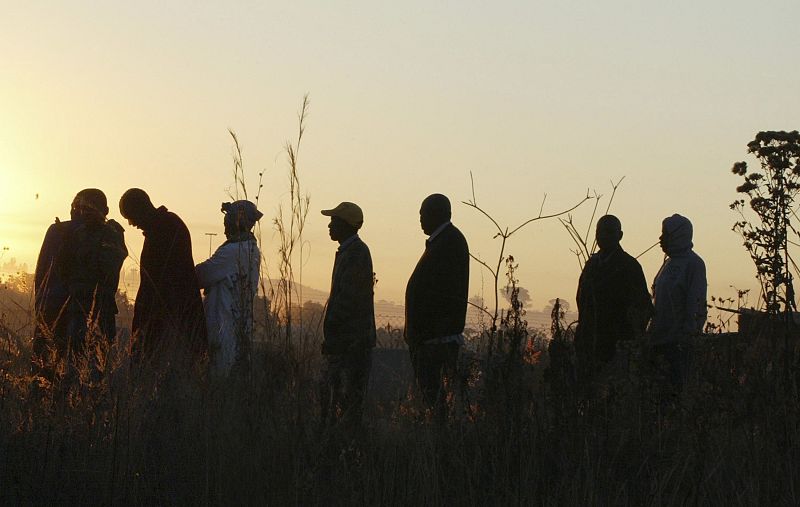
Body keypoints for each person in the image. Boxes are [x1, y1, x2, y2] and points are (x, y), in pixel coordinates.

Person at [32, 189, 126, 379]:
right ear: (106, 210)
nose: (79, 213)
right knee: (88, 379)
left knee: (49, 377)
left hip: (60, 314)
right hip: (85, 316)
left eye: (83, 208)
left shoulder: (60, 231)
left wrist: (40, 311)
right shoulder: (111, 234)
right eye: (78, 208)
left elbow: (41, 277)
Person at [119, 188, 207, 365]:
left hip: (171, 322)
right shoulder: (163, 227)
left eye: (130, 216)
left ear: (140, 209)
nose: (131, 223)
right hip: (168, 320)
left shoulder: (165, 228)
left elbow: (161, 284)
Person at [405, 194, 469, 418]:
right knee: (433, 397)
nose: (420, 219)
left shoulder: (449, 242)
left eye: (423, 214)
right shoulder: (441, 241)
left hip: (436, 340)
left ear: (438, 214)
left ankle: (442, 438)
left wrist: (426, 331)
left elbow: (440, 293)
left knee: (437, 399)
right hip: (430, 338)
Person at [318, 202, 376, 429]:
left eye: (334, 221)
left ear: (346, 225)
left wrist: (334, 338)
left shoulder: (356, 253)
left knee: (348, 402)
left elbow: (349, 301)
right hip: (347, 343)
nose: (330, 225)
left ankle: (346, 447)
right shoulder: (349, 251)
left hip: (351, 345)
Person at [574, 215, 652, 385]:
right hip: (589, 344)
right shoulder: (592, 265)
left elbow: (643, 308)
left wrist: (627, 342)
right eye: (600, 231)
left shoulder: (629, 266)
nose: (603, 236)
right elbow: (581, 299)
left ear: (620, 235)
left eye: (609, 231)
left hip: (617, 348)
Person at [196, 201, 262, 377]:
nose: (225, 225)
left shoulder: (234, 251)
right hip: (235, 329)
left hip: (222, 330)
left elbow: (201, 276)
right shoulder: (251, 250)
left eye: (229, 219)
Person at [648, 214, 707, 391]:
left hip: (677, 346)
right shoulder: (668, 264)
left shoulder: (693, 264)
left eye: (665, 234)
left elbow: (696, 304)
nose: (660, 239)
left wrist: (687, 337)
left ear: (677, 235)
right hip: (658, 342)